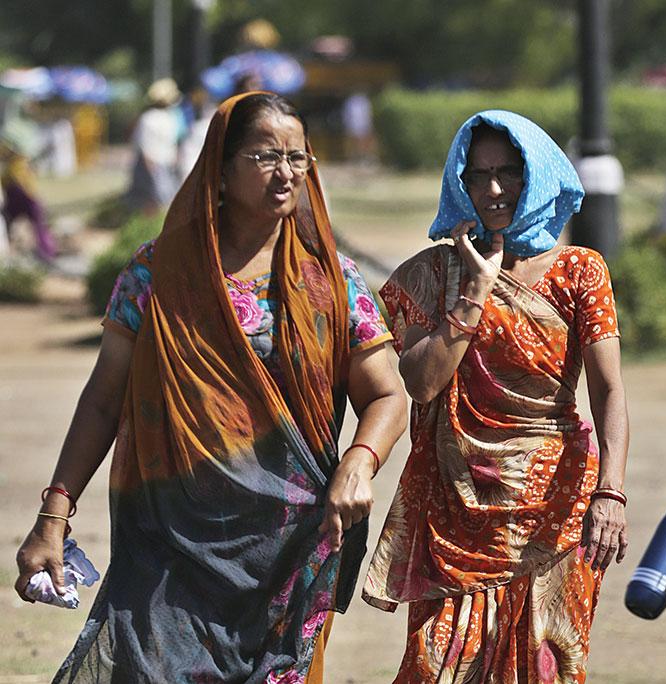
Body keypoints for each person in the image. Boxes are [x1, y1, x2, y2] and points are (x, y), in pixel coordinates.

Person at [14, 92, 407, 682]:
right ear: (220, 168)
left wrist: (359, 459)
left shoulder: (332, 282)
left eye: (298, 158)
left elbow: (387, 394)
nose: (287, 172)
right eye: (266, 155)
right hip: (168, 543)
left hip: (287, 549)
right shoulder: (157, 274)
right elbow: (103, 400)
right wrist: (54, 514)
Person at [362, 110, 630, 682]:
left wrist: (612, 492)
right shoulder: (432, 276)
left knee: (543, 669)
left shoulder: (579, 271)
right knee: (439, 666)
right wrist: (475, 289)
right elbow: (421, 382)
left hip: (555, 513)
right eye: (477, 175)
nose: (493, 190)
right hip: (456, 511)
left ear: (537, 174)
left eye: (508, 172)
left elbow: (608, 390)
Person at [1, 119, 57, 264]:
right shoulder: (15, 163)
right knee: (8, 226)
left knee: (39, 229)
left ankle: (47, 254)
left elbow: (19, 183)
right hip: (18, 201)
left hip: (27, 200)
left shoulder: (18, 163)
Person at [124, 78, 184, 213]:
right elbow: (147, 147)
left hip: (161, 163)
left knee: (162, 199)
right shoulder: (164, 118)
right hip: (157, 164)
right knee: (159, 199)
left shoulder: (152, 117)